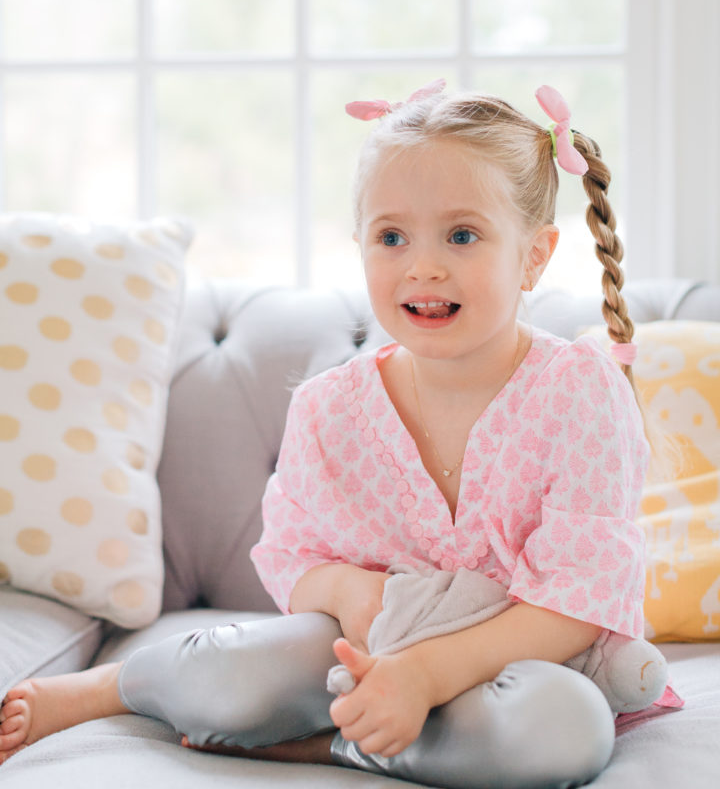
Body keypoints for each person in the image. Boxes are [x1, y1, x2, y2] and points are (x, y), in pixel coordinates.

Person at [0, 82, 660, 787]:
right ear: (360, 244)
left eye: (462, 235)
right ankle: (119, 686)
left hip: (521, 663)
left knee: (564, 734)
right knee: (240, 675)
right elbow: (293, 560)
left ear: (534, 255)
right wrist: (347, 591)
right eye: (391, 237)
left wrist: (424, 674)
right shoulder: (331, 406)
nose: (423, 265)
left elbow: (576, 601)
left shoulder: (580, 391)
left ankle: (328, 744)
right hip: (368, 642)